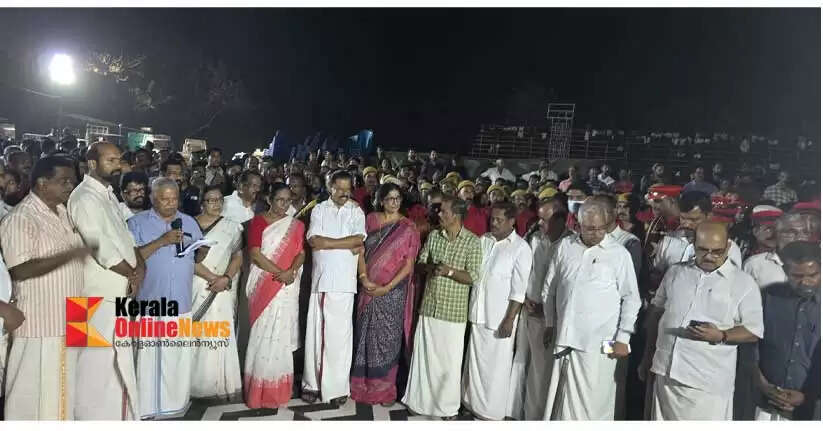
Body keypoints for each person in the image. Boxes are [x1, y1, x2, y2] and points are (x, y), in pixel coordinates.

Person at [641, 222, 763, 420]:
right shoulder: (675, 272)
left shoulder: (743, 283)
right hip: (666, 371)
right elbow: (656, 314)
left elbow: (753, 331)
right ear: (692, 245)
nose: (709, 256)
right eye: (702, 250)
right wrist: (647, 356)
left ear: (729, 247)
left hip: (707, 381)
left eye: (717, 251)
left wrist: (722, 335)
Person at [0, 156, 91, 420]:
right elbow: (20, 269)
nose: (69, 187)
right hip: (43, 320)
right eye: (64, 181)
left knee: (67, 387)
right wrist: (69, 255)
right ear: (42, 183)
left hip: (73, 313)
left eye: (72, 182)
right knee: (35, 393)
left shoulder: (64, 212)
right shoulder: (21, 218)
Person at [541, 200, 640, 420]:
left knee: (598, 398)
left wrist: (623, 337)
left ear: (607, 225)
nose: (595, 233)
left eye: (600, 228)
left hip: (602, 342)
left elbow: (631, 298)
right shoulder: (566, 246)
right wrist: (549, 322)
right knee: (561, 396)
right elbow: (550, 288)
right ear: (578, 224)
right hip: (566, 337)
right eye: (589, 228)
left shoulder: (619, 254)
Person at [67, 142, 144, 419]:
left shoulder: (108, 195)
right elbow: (101, 248)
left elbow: (126, 240)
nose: (117, 164)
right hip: (91, 296)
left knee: (114, 366)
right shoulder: (84, 197)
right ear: (92, 164)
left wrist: (138, 269)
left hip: (116, 293)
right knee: (91, 368)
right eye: (110, 160)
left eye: (119, 159)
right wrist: (132, 273)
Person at [128, 177, 207, 419]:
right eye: (165, 199)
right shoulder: (136, 223)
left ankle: (174, 406)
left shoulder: (189, 222)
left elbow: (197, 258)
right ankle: (146, 409)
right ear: (152, 197)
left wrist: (201, 249)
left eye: (174, 199)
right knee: (149, 358)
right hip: (151, 300)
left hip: (180, 301)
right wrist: (163, 241)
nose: (171, 204)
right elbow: (131, 258)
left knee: (176, 358)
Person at [402, 196, 482, 420]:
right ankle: (418, 401)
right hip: (430, 307)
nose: (439, 214)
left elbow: (474, 276)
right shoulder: (435, 236)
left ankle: (447, 408)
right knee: (424, 357)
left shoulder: (472, 242)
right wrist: (430, 268)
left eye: (443, 211)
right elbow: (419, 263)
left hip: (453, 313)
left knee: (449, 362)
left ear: (455, 215)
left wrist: (449, 271)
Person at [351, 183, 421, 406]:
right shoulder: (370, 220)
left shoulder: (408, 227)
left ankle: (384, 388)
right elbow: (360, 250)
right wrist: (363, 278)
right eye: (390, 198)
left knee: (387, 340)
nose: (394, 202)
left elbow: (409, 265)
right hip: (367, 287)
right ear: (381, 200)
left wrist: (387, 287)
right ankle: (361, 384)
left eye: (398, 198)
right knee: (364, 336)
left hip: (392, 292)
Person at [462, 202, 532, 420]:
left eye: (499, 219)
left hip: (499, 318)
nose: (494, 223)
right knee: (473, 364)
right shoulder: (484, 240)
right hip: (478, 313)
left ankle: (490, 413)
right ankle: (470, 403)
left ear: (512, 221)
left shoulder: (521, 248)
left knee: (495, 369)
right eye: (492, 218)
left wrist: (509, 319)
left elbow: (519, 290)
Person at [302, 171, 367, 406]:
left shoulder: (356, 211)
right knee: (316, 334)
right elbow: (313, 241)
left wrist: (328, 243)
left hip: (345, 283)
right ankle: (312, 384)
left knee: (340, 337)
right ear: (330, 187)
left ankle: (338, 388)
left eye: (347, 188)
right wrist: (344, 244)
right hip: (322, 282)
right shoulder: (319, 210)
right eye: (339, 188)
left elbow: (358, 241)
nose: (343, 193)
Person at [244, 183, 306, 408]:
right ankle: (257, 392)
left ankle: (278, 391)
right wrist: (280, 272)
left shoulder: (296, 225)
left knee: (280, 336)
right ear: (269, 199)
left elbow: (301, 253)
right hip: (265, 282)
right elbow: (255, 254)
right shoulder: (258, 222)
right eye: (280, 199)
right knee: (263, 335)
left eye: (288, 200)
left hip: (287, 283)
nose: (284, 204)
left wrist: (291, 271)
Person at [507, 197, 569, 420]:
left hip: (550, 318)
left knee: (540, 371)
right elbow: (524, 271)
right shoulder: (534, 239)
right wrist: (524, 298)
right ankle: (514, 412)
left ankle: (535, 417)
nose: (539, 223)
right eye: (539, 218)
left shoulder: (570, 244)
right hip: (527, 309)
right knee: (520, 361)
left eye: (545, 219)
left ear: (562, 219)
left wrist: (549, 311)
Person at [753, 241, 820, 421]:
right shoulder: (767, 298)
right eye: (797, 276)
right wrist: (763, 386)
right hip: (762, 406)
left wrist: (808, 397)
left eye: (812, 275)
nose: (805, 282)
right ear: (784, 271)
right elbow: (750, 349)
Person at [190, 185, 244, 401]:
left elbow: (237, 256)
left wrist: (226, 278)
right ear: (202, 203)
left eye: (219, 200)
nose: (216, 204)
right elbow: (185, 257)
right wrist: (213, 279)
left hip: (221, 288)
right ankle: (192, 385)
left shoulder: (233, 227)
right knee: (195, 335)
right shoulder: (188, 224)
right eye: (211, 200)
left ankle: (217, 384)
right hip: (195, 284)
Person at [653, 191, 743, 278]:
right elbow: (658, 274)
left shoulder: (728, 248)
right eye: (683, 218)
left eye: (694, 220)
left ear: (709, 216)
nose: (687, 224)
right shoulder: (667, 241)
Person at [743, 212, 811, 290]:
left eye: (805, 232)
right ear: (778, 234)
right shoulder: (754, 265)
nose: (800, 237)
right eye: (792, 232)